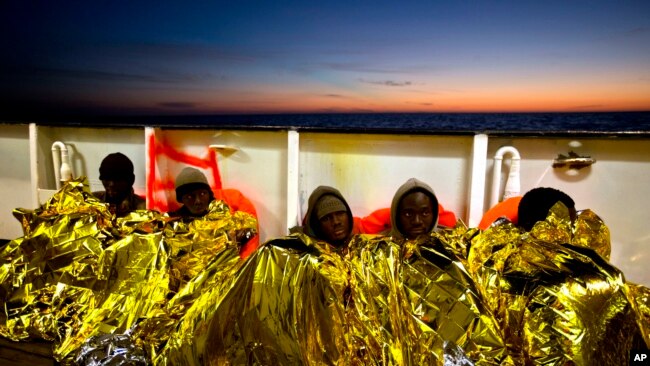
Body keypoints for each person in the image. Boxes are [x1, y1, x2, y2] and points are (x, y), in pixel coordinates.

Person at [93, 152, 146, 217]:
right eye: (107, 178)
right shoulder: (90, 202)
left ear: (131, 180)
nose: (112, 184)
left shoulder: (143, 209)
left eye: (118, 179)